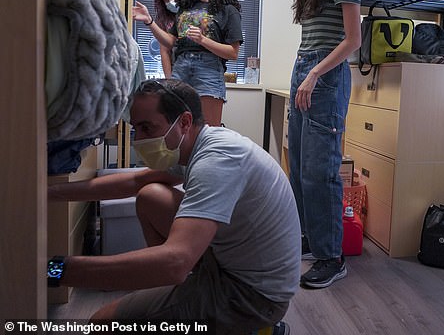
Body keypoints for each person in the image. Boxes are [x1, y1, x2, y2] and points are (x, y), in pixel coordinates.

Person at [47, 79, 300, 335]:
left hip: (252, 297)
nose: (139, 140)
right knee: (150, 196)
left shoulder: (216, 161)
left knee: (102, 323)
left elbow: (176, 262)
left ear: (185, 122)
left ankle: (251, 327)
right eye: (136, 129)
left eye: (147, 128)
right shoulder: (199, 143)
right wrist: (50, 193)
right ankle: (181, 299)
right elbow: (136, 180)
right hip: (233, 263)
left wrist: (54, 269)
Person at [275, 0, 361, 289]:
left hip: (324, 76)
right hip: (305, 69)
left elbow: (352, 41)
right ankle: (312, 238)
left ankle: (332, 257)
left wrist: (313, 74)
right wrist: (302, 72)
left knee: (320, 171)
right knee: (298, 164)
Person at [133, 0, 243, 127]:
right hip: (181, 68)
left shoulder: (228, 10)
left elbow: (233, 53)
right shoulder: (185, 8)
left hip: (208, 70)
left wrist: (203, 40)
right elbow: (170, 42)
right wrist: (149, 21)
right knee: (177, 129)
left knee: (208, 130)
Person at [152, 0, 181, 78]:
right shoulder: (162, 19)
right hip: (176, 70)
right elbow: (164, 51)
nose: (171, 2)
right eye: (166, 0)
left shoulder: (195, 11)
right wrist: (169, 81)